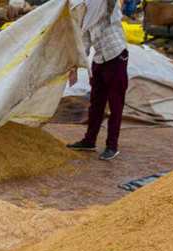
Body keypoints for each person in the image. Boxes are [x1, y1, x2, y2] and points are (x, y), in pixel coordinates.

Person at [67, 0, 128, 161]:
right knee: (96, 103)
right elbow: (84, 45)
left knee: (115, 105)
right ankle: (89, 141)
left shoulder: (108, 7)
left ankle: (112, 146)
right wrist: (75, 67)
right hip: (100, 60)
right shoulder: (87, 18)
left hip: (116, 56)